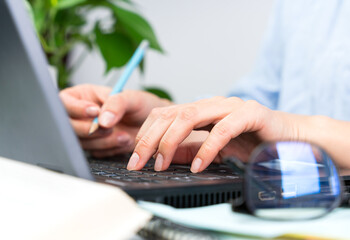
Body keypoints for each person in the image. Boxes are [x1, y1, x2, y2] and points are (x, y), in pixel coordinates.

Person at [59, 0, 350, 173]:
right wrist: (170, 121)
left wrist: (295, 130)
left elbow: (279, 122)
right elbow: (259, 109)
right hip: (286, 194)